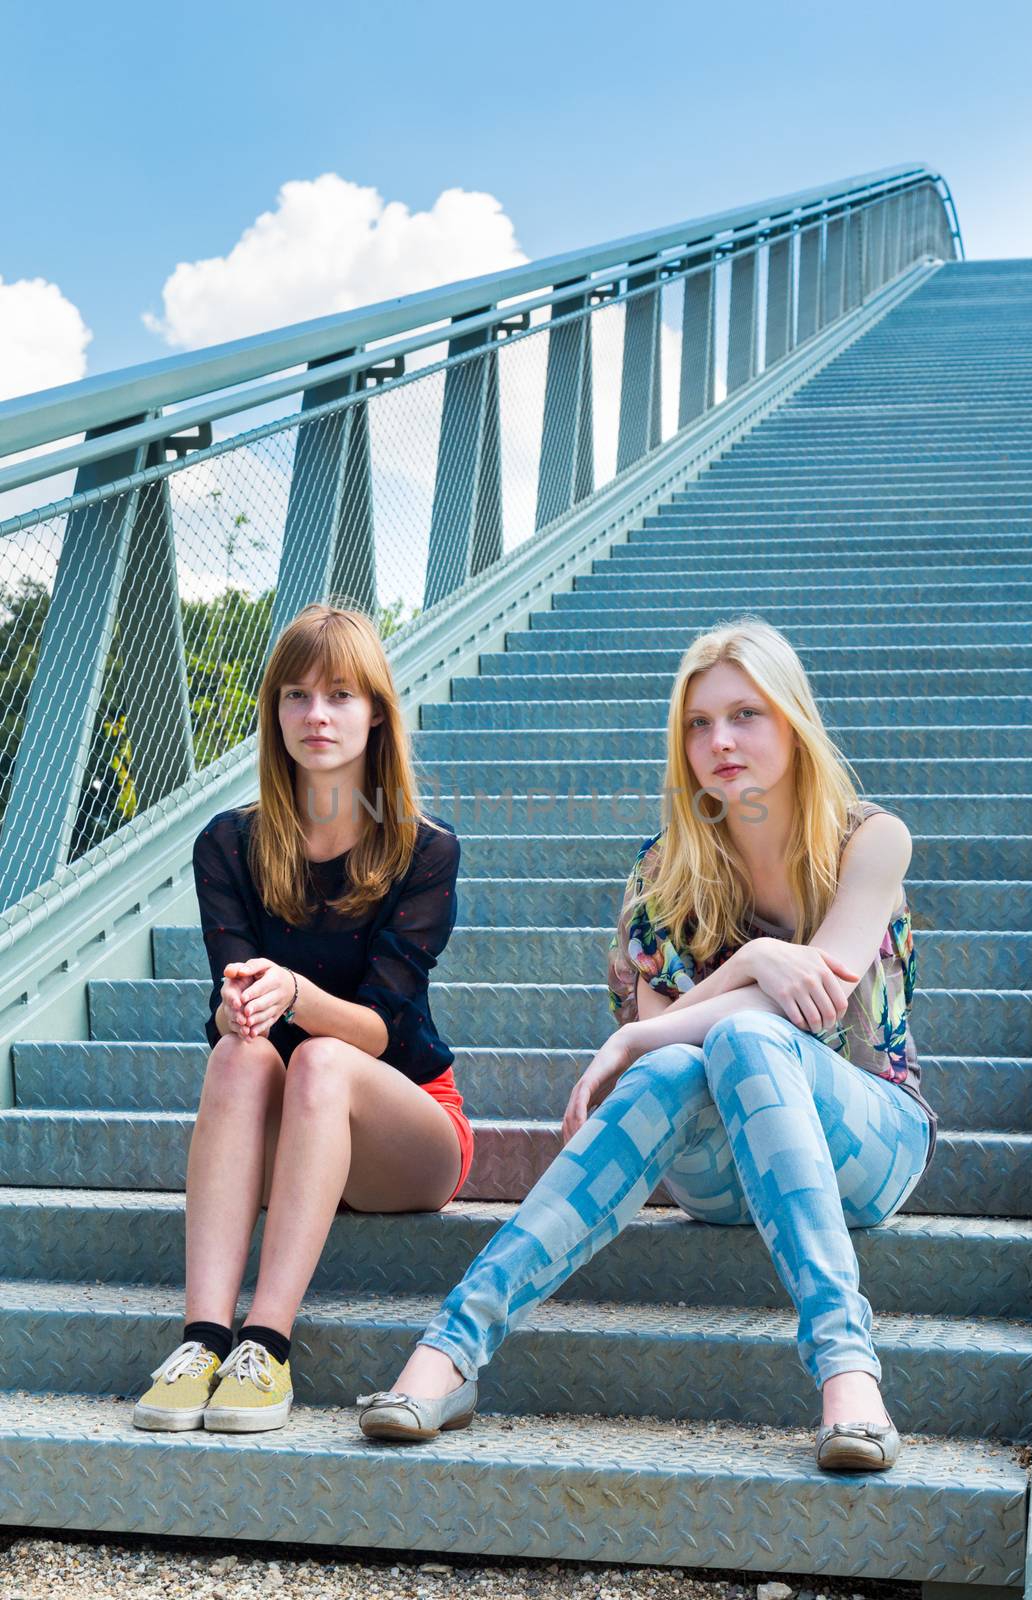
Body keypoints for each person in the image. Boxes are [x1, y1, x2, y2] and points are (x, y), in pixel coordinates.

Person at [354, 614, 937, 1473]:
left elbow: (820, 999)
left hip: (870, 1138)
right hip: (721, 1172)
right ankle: (451, 1348)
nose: (720, 742)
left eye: (745, 715)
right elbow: (669, 1051)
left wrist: (675, 1016)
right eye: (698, 724)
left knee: (735, 1033)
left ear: (791, 720)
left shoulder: (869, 839)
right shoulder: (663, 876)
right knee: (681, 1059)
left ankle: (846, 1368)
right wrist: (748, 971)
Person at [132, 602, 468, 1434]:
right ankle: (205, 1337)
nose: (315, 716)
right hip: (288, 1132)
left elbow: (385, 1029)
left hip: (407, 1131)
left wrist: (296, 994)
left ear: (377, 713)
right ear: (273, 712)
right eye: (295, 695)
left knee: (319, 1057)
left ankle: (267, 1347)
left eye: (340, 695)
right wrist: (236, 1004)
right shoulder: (228, 846)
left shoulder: (424, 850)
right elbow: (233, 1009)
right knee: (239, 1057)